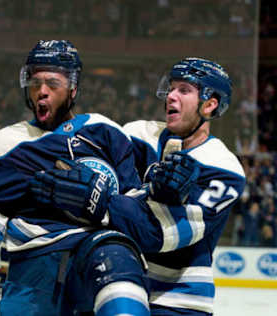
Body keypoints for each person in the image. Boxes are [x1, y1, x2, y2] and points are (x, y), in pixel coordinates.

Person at [0, 40, 161, 315]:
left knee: (117, 257)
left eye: (53, 83)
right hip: (32, 269)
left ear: (73, 88)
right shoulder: (4, 144)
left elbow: (140, 218)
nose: (42, 91)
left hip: (98, 258)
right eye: (35, 82)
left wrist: (103, 204)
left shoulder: (106, 132)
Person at [30, 57, 246, 315]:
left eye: (184, 90)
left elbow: (160, 234)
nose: (171, 96)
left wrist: (102, 203)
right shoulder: (137, 134)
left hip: (177, 301)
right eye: (172, 87)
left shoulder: (222, 167)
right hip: (111, 279)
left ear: (210, 105)